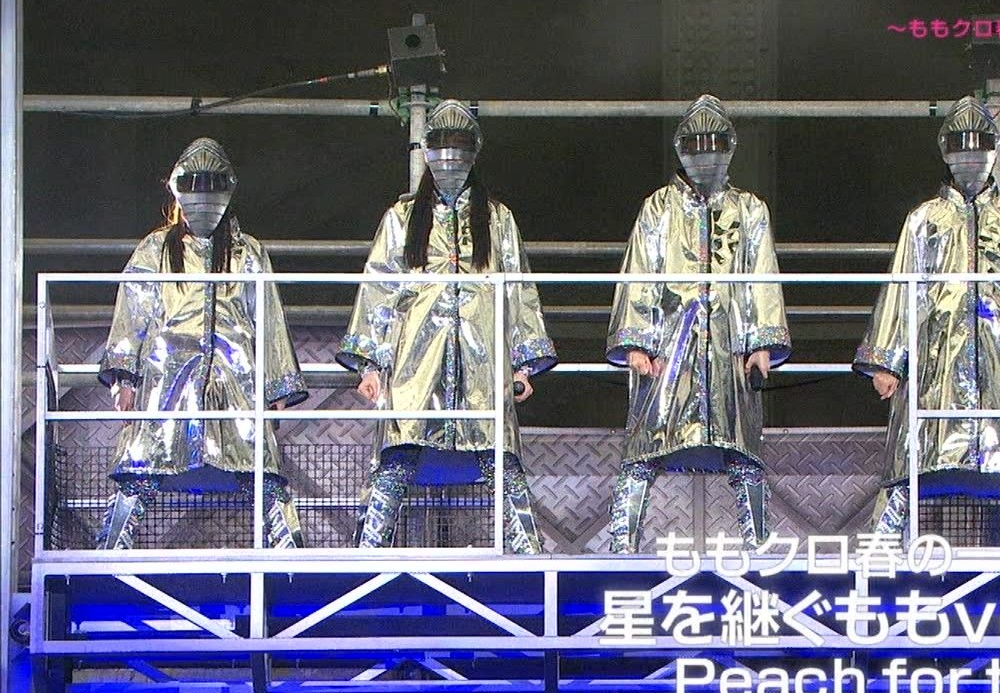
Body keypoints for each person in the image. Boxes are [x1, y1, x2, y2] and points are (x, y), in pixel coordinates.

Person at [855, 96, 1000, 544]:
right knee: (912, 463)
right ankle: (875, 557)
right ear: (946, 150)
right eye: (961, 143)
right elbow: (902, 289)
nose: (970, 153)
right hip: (938, 363)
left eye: (979, 143)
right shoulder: (923, 220)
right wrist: (886, 360)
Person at [338, 100, 556, 552]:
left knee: (501, 463)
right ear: (427, 151)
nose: (450, 155)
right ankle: (364, 557)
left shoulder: (497, 219)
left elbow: (519, 290)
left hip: (482, 365)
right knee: (397, 459)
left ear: (474, 151)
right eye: (441, 143)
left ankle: (531, 560)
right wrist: (370, 365)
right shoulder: (401, 218)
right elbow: (379, 289)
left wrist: (522, 365)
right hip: (416, 365)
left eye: (459, 144)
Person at [97, 138, 307, 549]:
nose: (204, 194)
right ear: (178, 189)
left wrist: (276, 385)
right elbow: (133, 313)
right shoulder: (155, 250)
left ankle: (291, 559)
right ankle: (107, 555)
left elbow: (268, 317)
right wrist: (124, 379)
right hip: (167, 378)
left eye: (213, 184)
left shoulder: (248, 252)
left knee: (261, 469)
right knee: (140, 465)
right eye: (194, 184)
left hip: (236, 378)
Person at [606, 94, 790, 553]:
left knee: (744, 452)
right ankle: (622, 545)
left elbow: (761, 275)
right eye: (696, 144)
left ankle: (757, 545)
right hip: (668, 348)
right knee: (644, 449)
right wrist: (636, 342)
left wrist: (762, 341)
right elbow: (640, 272)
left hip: (730, 347)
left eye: (714, 143)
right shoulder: (658, 208)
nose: (705, 153)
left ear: (730, 148)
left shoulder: (750, 209)